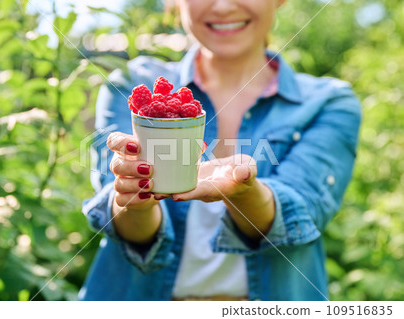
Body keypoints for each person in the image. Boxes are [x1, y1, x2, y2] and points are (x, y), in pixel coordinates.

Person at [79, 0, 361, 301]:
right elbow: (125, 223)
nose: (224, 6)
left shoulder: (329, 103)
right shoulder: (132, 85)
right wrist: (136, 199)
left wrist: (245, 192)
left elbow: (302, 211)